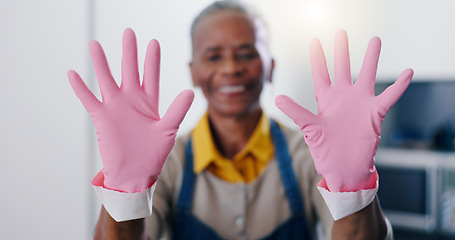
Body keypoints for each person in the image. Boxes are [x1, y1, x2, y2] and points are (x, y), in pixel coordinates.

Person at [68, 1, 413, 239]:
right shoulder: (166, 164)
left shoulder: (311, 154)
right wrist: (125, 191)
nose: (231, 68)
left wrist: (352, 190)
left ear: (271, 66)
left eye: (247, 53)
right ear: (193, 71)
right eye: (213, 55)